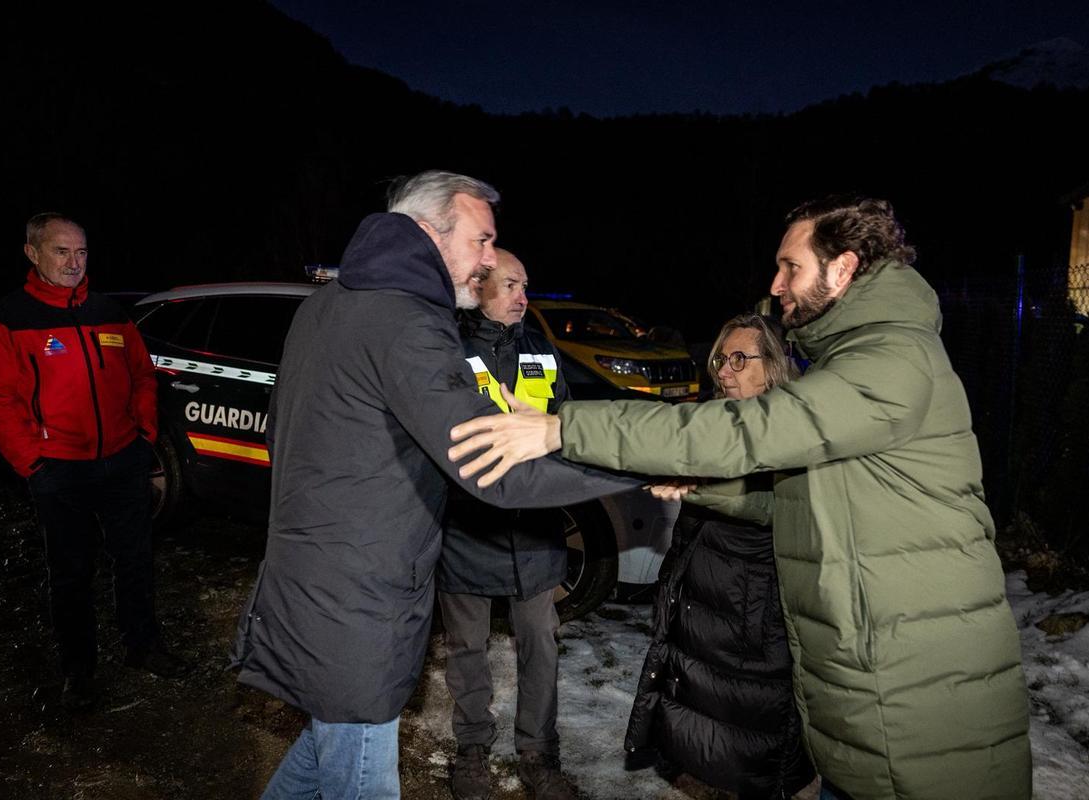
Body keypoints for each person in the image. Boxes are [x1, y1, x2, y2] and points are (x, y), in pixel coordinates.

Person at [448, 195, 1033, 800]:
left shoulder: (888, 360)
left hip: (920, 688)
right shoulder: (863, 356)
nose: (776, 284)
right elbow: (803, 503)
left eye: (791, 267)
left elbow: (743, 431)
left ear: (844, 268)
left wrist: (560, 426)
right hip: (876, 679)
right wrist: (708, 488)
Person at [231, 172, 636, 800]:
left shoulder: (329, 303)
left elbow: (288, 434)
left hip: (312, 575)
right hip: (359, 599)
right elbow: (495, 468)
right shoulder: (405, 322)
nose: (487, 260)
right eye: (480, 241)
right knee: (359, 769)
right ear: (428, 232)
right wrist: (642, 458)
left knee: (324, 748)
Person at [0, 213, 183, 713]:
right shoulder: (11, 317)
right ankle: (80, 672)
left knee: (136, 560)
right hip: (59, 468)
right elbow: (0, 400)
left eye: (80, 252)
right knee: (71, 573)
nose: (74, 263)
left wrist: (143, 437)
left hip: (122, 459)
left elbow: (143, 376)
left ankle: (143, 647)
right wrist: (33, 465)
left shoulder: (109, 312)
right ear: (32, 254)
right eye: (61, 252)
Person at [625, 313, 815, 799]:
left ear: (772, 366)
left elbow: (796, 513)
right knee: (702, 730)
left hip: (753, 618)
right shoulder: (714, 420)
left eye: (738, 359)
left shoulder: (793, 429)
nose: (724, 371)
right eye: (719, 360)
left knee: (750, 740)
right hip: (702, 605)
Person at [440, 247, 579, 800]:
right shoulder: (447, 352)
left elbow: (565, 425)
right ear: (478, 288)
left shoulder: (543, 352)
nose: (524, 297)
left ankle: (538, 753)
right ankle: (472, 749)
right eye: (511, 285)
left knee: (540, 644)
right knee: (466, 647)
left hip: (535, 534)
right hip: (467, 531)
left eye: (526, 285)